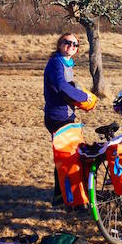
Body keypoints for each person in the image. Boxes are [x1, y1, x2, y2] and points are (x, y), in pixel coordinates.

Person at [44, 33, 91, 206]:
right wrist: (83, 97)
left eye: (75, 44)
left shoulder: (67, 63)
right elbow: (61, 87)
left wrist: (78, 98)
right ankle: (69, 198)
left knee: (64, 157)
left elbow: (67, 87)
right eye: (68, 42)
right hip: (57, 116)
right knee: (68, 158)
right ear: (59, 44)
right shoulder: (56, 62)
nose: (72, 46)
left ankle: (60, 195)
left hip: (66, 114)